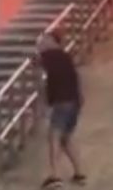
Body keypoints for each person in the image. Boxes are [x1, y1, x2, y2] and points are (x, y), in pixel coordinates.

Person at [37, 31, 86, 188]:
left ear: (53, 41)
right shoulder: (66, 56)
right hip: (74, 101)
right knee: (66, 138)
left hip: (61, 101)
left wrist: (45, 102)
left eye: (46, 39)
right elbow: (76, 77)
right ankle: (79, 173)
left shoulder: (48, 55)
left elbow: (37, 65)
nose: (42, 42)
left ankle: (55, 176)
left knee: (54, 137)